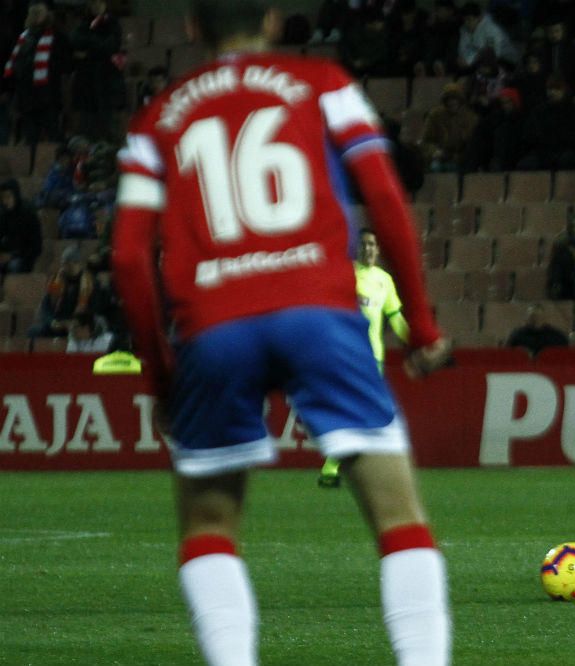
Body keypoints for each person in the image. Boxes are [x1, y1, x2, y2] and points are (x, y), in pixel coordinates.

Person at [111, 3, 453, 665]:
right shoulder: (323, 83)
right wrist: (424, 326)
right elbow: (385, 199)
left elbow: (128, 257)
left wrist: (160, 376)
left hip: (213, 326)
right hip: (318, 313)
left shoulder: (157, 118)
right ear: (271, 21)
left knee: (210, 528)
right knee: (399, 518)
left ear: (191, 27)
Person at [318, 228, 410, 488]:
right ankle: (339, 468)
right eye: (364, 244)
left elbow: (396, 319)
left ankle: (333, 468)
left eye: (373, 244)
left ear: (378, 250)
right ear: (358, 248)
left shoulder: (384, 280)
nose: (368, 249)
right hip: (347, 356)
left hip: (374, 358)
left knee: (364, 414)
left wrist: (415, 342)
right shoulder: (346, 275)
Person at [1, 0, 71, 145]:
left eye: (39, 13)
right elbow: (14, 64)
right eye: (34, 13)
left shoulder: (57, 37)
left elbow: (66, 65)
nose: (36, 16)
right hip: (27, 96)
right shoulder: (23, 37)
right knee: (30, 136)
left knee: (53, 134)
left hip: (48, 95)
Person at [70, 0, 126, 141]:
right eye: (93, 3)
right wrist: (99, 46)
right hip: (86, 81)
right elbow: (76, 41)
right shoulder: (82, 24)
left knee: (107, 124)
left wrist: (88, 52)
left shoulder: (113, 23)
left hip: (107, 80)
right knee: (87, 125)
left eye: (99, 3)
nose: (97, 6)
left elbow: (111, 46)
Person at [0, 178, 42, 275]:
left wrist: (12, 256)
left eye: (8, 197)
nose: (5, 201)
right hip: (5, 257)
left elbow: (36, 247)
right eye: (2, 198)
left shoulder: (28, 213)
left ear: (15, 195)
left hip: (24, 259)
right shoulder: (3, 214)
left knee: (13, 266)